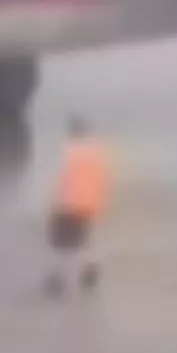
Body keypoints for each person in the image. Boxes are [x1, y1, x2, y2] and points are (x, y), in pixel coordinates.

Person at [45, 116, 111, 296]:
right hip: (89, 205)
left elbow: (64, 180)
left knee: (60, 243)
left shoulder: (70, 152)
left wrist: (56, 205)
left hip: (69, 203)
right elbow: (101, 180)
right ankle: (89, 270)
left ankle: (58, 279)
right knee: (82, 240)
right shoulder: (96, 152)